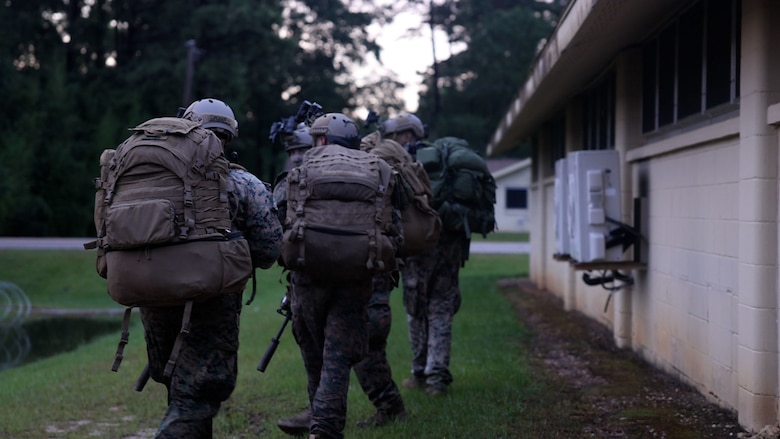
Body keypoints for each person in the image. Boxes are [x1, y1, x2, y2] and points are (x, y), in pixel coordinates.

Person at [139, 98, 283, 438]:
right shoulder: (243, 184)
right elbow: (268, 250)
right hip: (213, 301)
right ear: (228, 138)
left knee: (181, 388)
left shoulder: (153, 175)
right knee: (197, 394)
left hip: (152, 292)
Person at [284, 112, 402, 439]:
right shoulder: (379, 170)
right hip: (357, 277)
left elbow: (279, 217)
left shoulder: (302, 167)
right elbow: (396, 231)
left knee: (314, 358)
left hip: (307, 276)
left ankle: (320, 423)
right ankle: (324, 428)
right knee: (336, 358)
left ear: (320, 140)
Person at [381, 114, 463, 397]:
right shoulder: (442, 160)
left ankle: (419, 372)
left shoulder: (397, 162)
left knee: (416, 309)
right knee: (440, 308)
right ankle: (437, 376)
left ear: (399, 134)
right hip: (449, 246)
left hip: (418, 247)